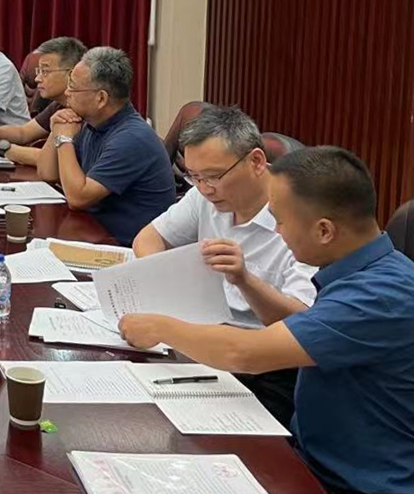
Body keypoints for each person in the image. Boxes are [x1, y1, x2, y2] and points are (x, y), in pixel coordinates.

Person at [120, 147, 414, 494]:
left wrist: (160, 327)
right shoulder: (361, 269)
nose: (278, 233)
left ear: (324, 231)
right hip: (312, 455)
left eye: (280, 222)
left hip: (364, 483)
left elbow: (245, 354)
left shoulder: (381, 295)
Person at [130, 104, 316, 424]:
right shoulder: (204, 194)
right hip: (201, 339)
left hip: (264, 364)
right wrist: (168, 285)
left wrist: (245, 279)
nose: (205, 189)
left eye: (215, 176)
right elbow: (147, 239)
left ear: (256, 161)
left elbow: (300, 323)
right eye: (194, 177)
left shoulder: (301, 215)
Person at [35, 46, 175, 245]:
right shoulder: (92, 122)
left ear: (101, 98)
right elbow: (47, 173)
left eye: (73, 87)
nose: (66, 92)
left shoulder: (131, 138)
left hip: (126, 246)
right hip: (91, 230)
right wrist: (57, 129)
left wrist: (65, 139)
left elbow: (78, 198)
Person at [0, 36, 85, 166]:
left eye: (45, 71)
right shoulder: (58, 104)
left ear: (71, 74)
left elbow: (50, 160)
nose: (37, 78)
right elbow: (24, 132)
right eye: (39, 71)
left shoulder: (85, 110)